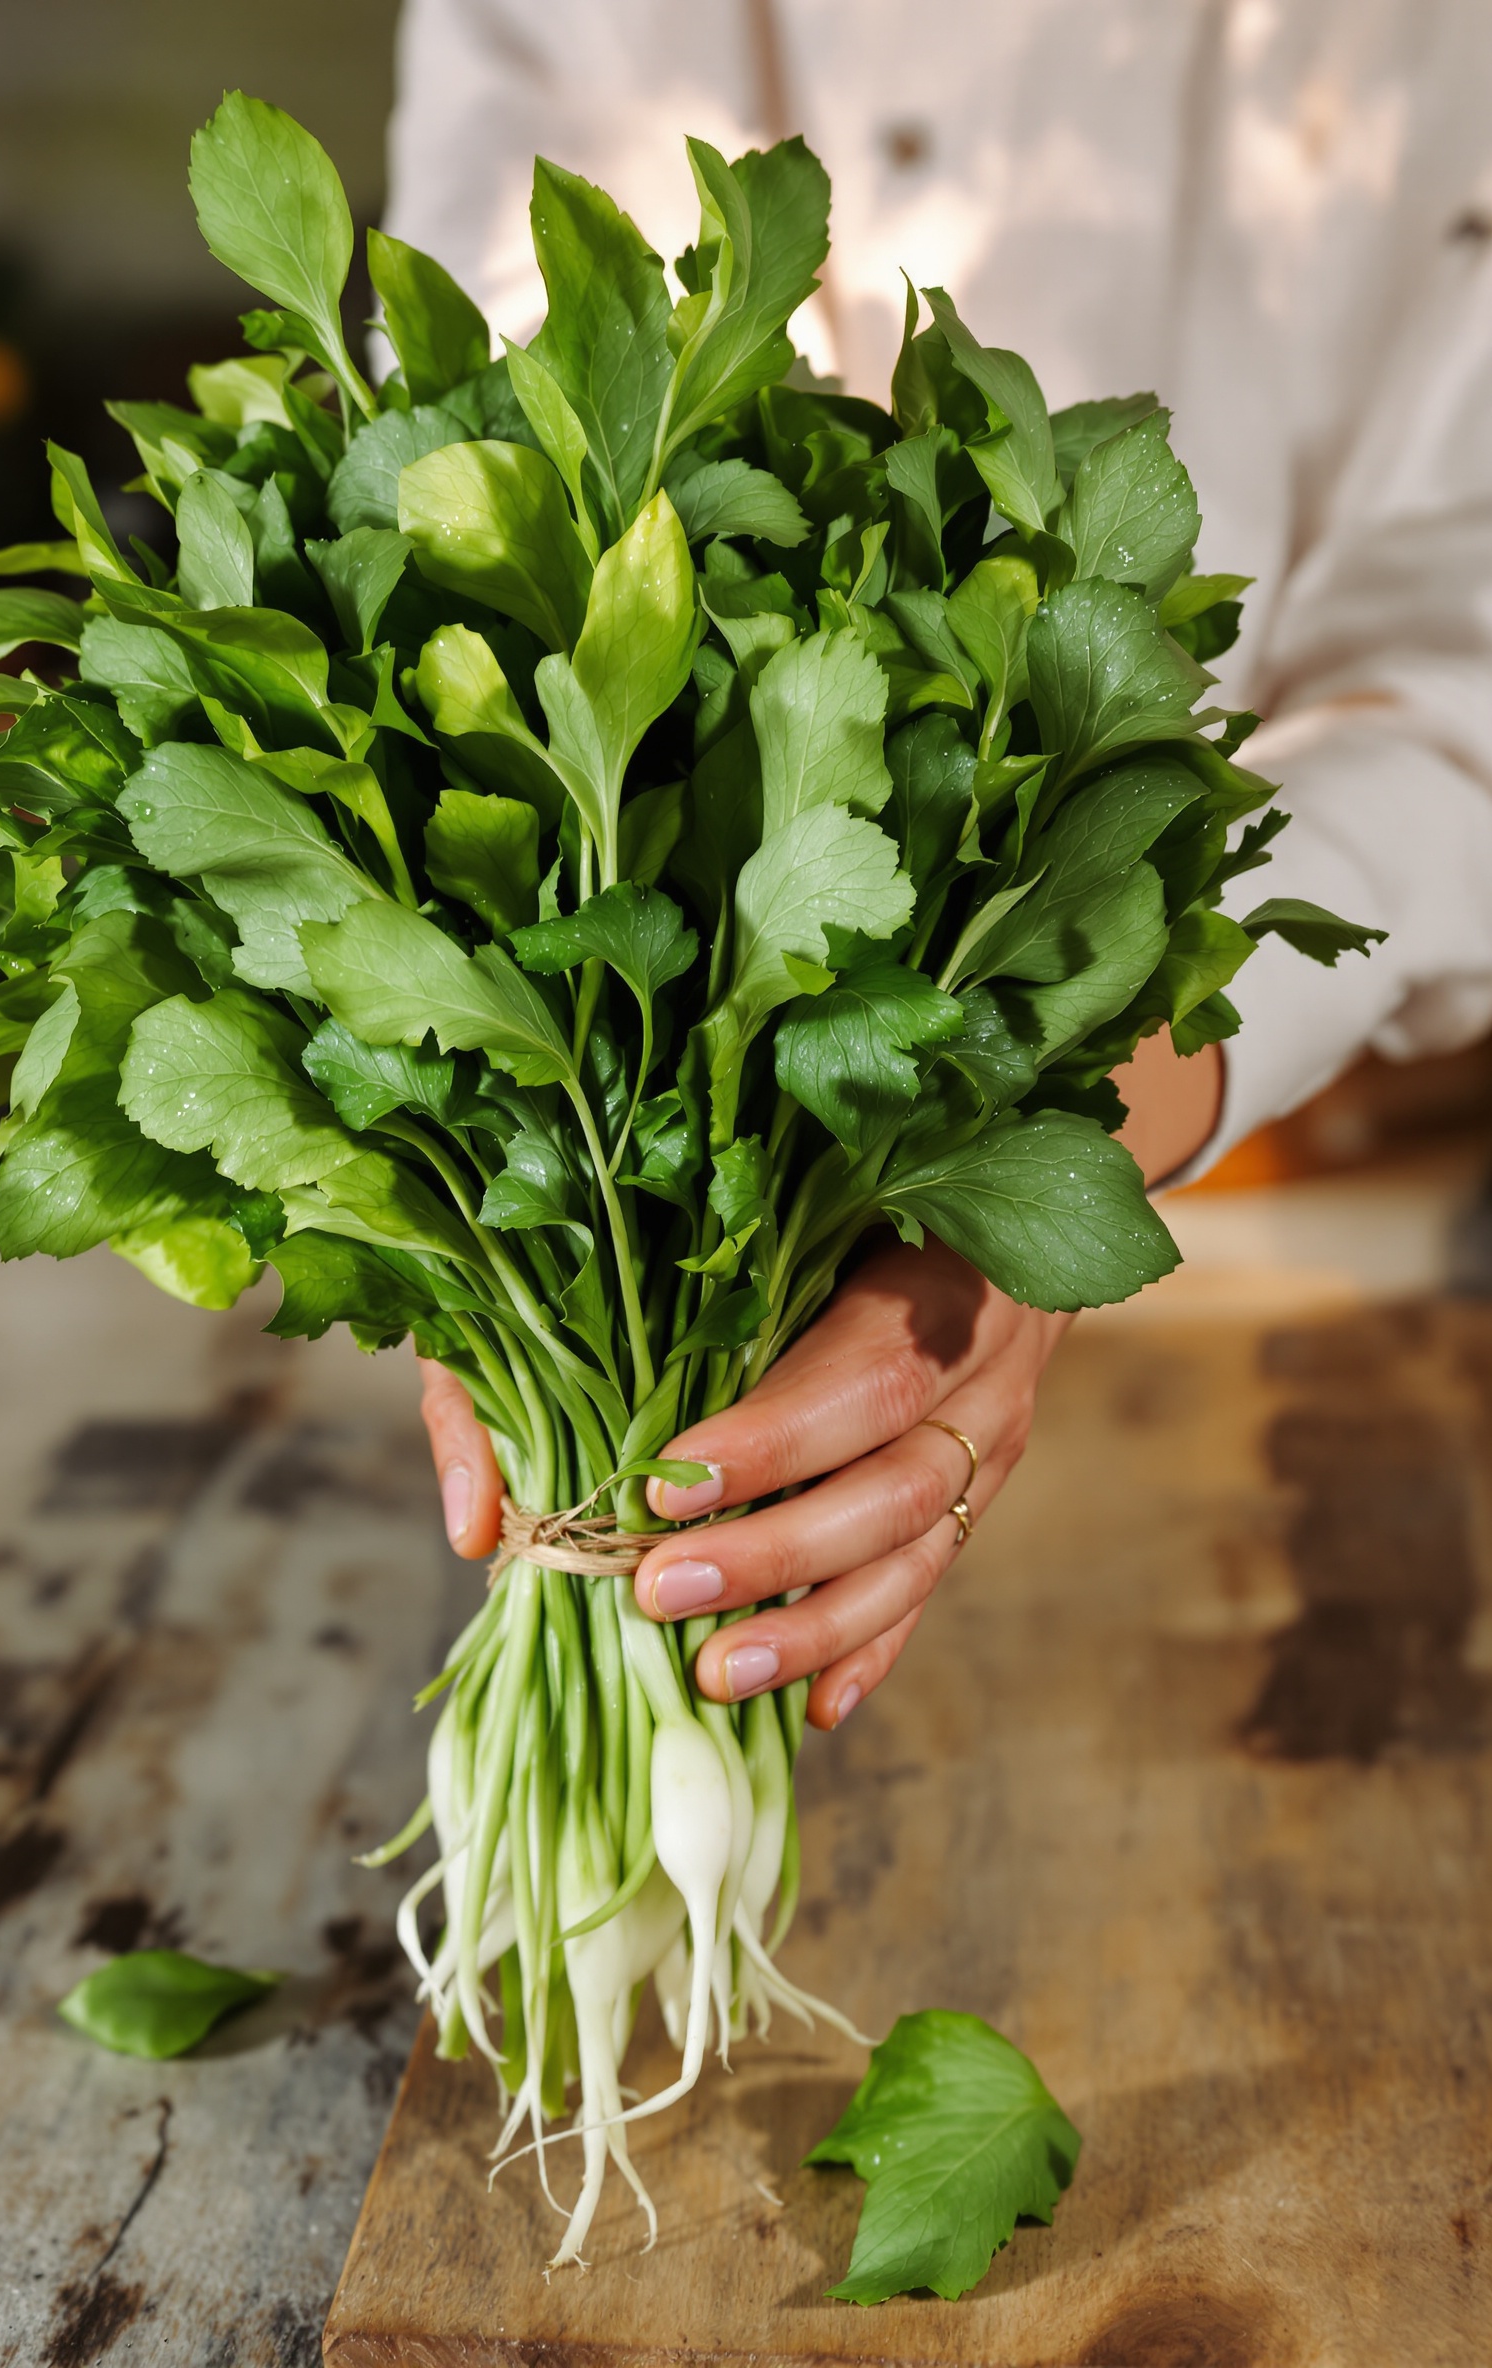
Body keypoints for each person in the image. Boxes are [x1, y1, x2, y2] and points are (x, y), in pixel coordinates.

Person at [384, 0, 1492, 1729]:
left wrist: (1054, 1123)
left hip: (1317, 1142)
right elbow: (500, 427)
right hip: (724, 1076)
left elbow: (1467, 667)